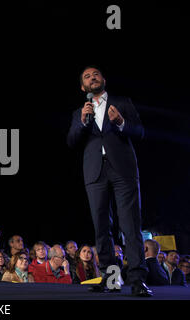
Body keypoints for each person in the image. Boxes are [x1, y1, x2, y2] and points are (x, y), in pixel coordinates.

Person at [67, 65, 151, 297]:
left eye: (95, 74)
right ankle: (111, 279)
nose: (92, 78)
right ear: (82, 87)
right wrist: (84, 122)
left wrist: (121, 122)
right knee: (102, 227)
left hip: (123, 170)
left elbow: (140, 132)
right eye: (87, 77)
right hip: (95, 173)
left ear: (103, 79)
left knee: (130, 225)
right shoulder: (79, 112)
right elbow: (72, 141)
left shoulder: (122, 102)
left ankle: (137, 281)